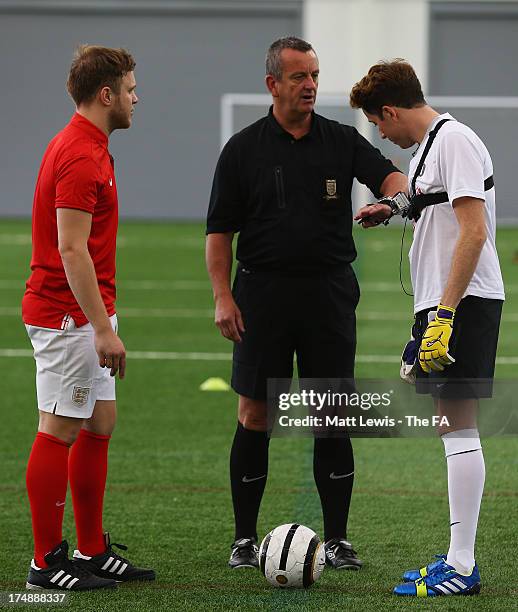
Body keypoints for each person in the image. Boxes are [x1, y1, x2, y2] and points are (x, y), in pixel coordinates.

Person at [206, 37, 407, 570]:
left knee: (332, 414)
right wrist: (223, 296)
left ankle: (338, 539)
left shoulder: (342, 140)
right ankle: (244, 539)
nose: (310, 85)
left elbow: (391, 176)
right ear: (273, 83)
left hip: (328, 294)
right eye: (298, 77)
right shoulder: (243, 149)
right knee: (254, 413)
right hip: (261, 295)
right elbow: (219, 231)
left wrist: (393, 200)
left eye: (314, 75)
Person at [350, 60, 505, 597]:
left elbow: (473, 230)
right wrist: (391, 207)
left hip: (461, 301)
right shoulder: (431, 148)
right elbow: (429, 202)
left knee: (458, 427)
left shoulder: (456, 139)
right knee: (447, 424)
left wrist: (444, 314)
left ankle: (462, 567)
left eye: (378, 122)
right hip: (443, 303)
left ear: (390, 110)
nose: (380, 133)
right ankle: (458, 558)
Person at [22, 45, 155, 591]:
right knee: (59, 428)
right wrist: (100, 328)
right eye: (129, 88)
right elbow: (70, 249)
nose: (134, 97)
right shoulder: (79, 153)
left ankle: (92, 549)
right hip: (67, 316)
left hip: (88, 311)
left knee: (99, 423)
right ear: (106, 95)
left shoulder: (92, 146)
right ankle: (45, 564)